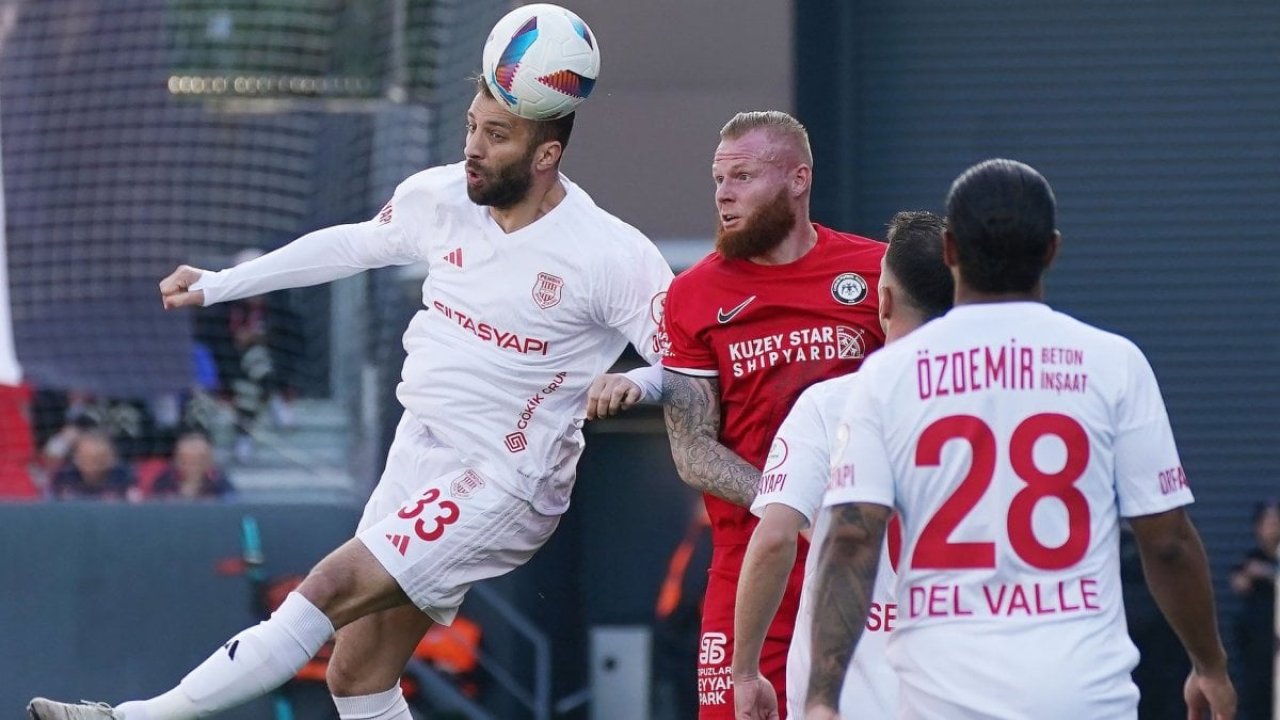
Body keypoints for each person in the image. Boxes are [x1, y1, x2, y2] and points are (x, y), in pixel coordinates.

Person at [27, 74, 673, 720]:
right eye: (472, 126)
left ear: (546, 154)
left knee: (329, 585)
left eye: (496, 135)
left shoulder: (609, 254)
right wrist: (222, 283)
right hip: (419, 449)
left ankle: (132, 718)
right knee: (357, 673)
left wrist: (635, 381)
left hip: (505, 475)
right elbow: (352, 245)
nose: (473, 146)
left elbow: (689, 361)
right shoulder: (441, 197)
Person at [804, 159, 1236, 719]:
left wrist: (821, 699)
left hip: (943, 699)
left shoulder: (888, 376)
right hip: (1082, 697)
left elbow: (850, 539)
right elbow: (1168, 540)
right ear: (1052, 250)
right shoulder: (1113, 363)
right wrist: (1209, 665)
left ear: (950, 250)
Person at [659, 110, 887, 719]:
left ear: (797, 178)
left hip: (862, 557)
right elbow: (692, 451)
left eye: (742, 177)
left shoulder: (875, 272)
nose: (723, 194)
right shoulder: (694, 294)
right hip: (749, 565)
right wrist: (791, 506)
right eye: (717, 179)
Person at [732, 211, 952, 720]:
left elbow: (774, 538)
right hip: (964, 692)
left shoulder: (830, 404)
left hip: (844, 699)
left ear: (884, 301)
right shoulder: (995, 409)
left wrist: (744, 671)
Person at [1229, 501, 1279, 720]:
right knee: (1257, 701)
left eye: (1276, 522)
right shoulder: (1251, 559)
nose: (1273, 527)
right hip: (1257, 647)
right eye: (1268, 522)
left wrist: (1267, 573)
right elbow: (1239, 583)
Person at [49, 429, 136, 501]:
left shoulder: (124, 476)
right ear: (75, 458)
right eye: (84, 457)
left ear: (111, 459)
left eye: (97, 458)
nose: (90, 464)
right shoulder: (64, 477)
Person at [148, 431, 234, 500]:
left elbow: (231, 504)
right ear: (178, 460)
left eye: (199, 460)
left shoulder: (219, 482)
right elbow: (154, 506)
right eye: (187, 460)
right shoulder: (165, 481)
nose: (193, 466)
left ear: (208, 461)